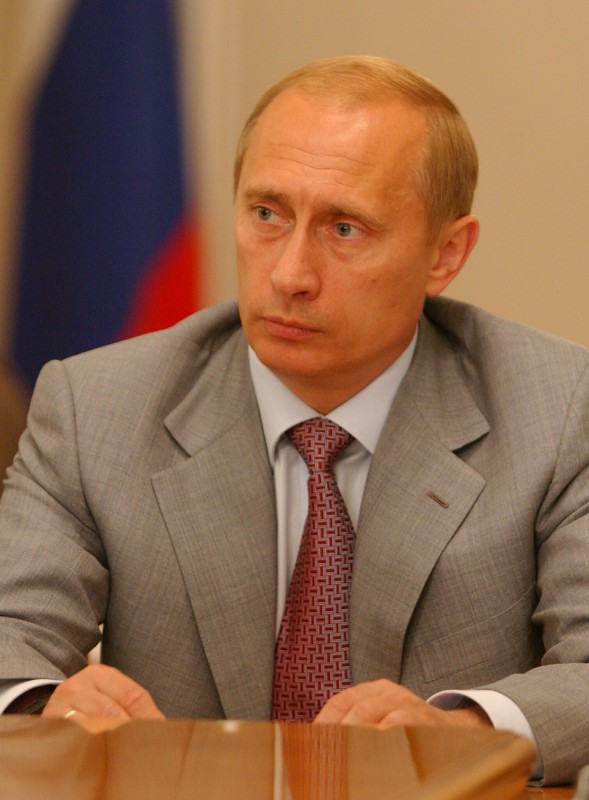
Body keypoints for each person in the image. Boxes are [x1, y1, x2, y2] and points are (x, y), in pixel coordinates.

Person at [1, 55, 588, 786]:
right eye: (267, 214)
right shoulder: (96, 408)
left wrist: (461, 730)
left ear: (445, 254)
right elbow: (10, 631)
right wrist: (44, 706)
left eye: (344, 228)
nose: (288, 275)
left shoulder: (558, 407)